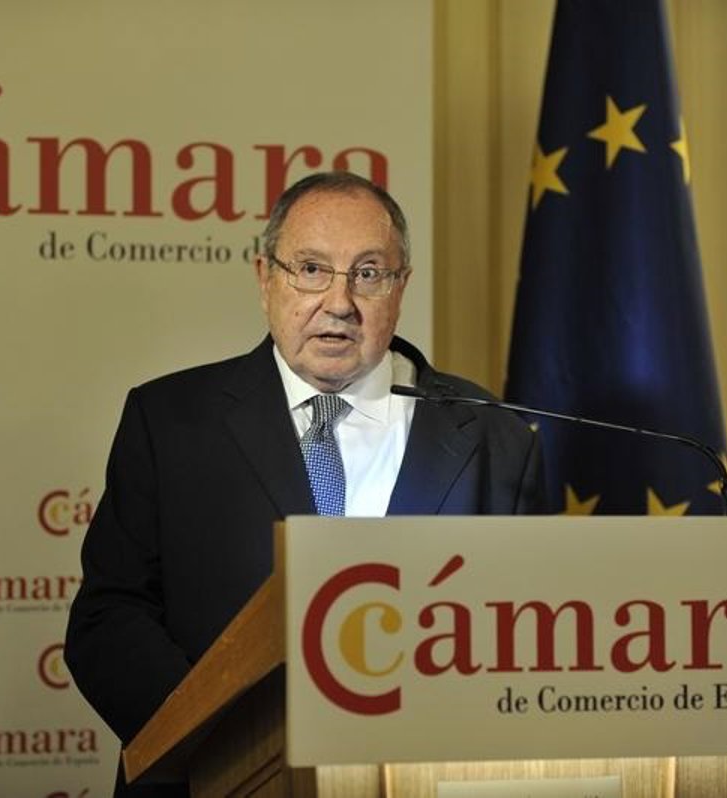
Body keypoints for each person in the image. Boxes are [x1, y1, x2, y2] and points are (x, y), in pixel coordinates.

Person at [65, 171, 543, 796]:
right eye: (311, 269)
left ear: (401, 286)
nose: (339, 302)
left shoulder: (494, 436)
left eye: (368, 273)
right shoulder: (170, 421)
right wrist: (226, 746)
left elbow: (526, 638)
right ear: (265, 278)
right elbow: (108, 619)